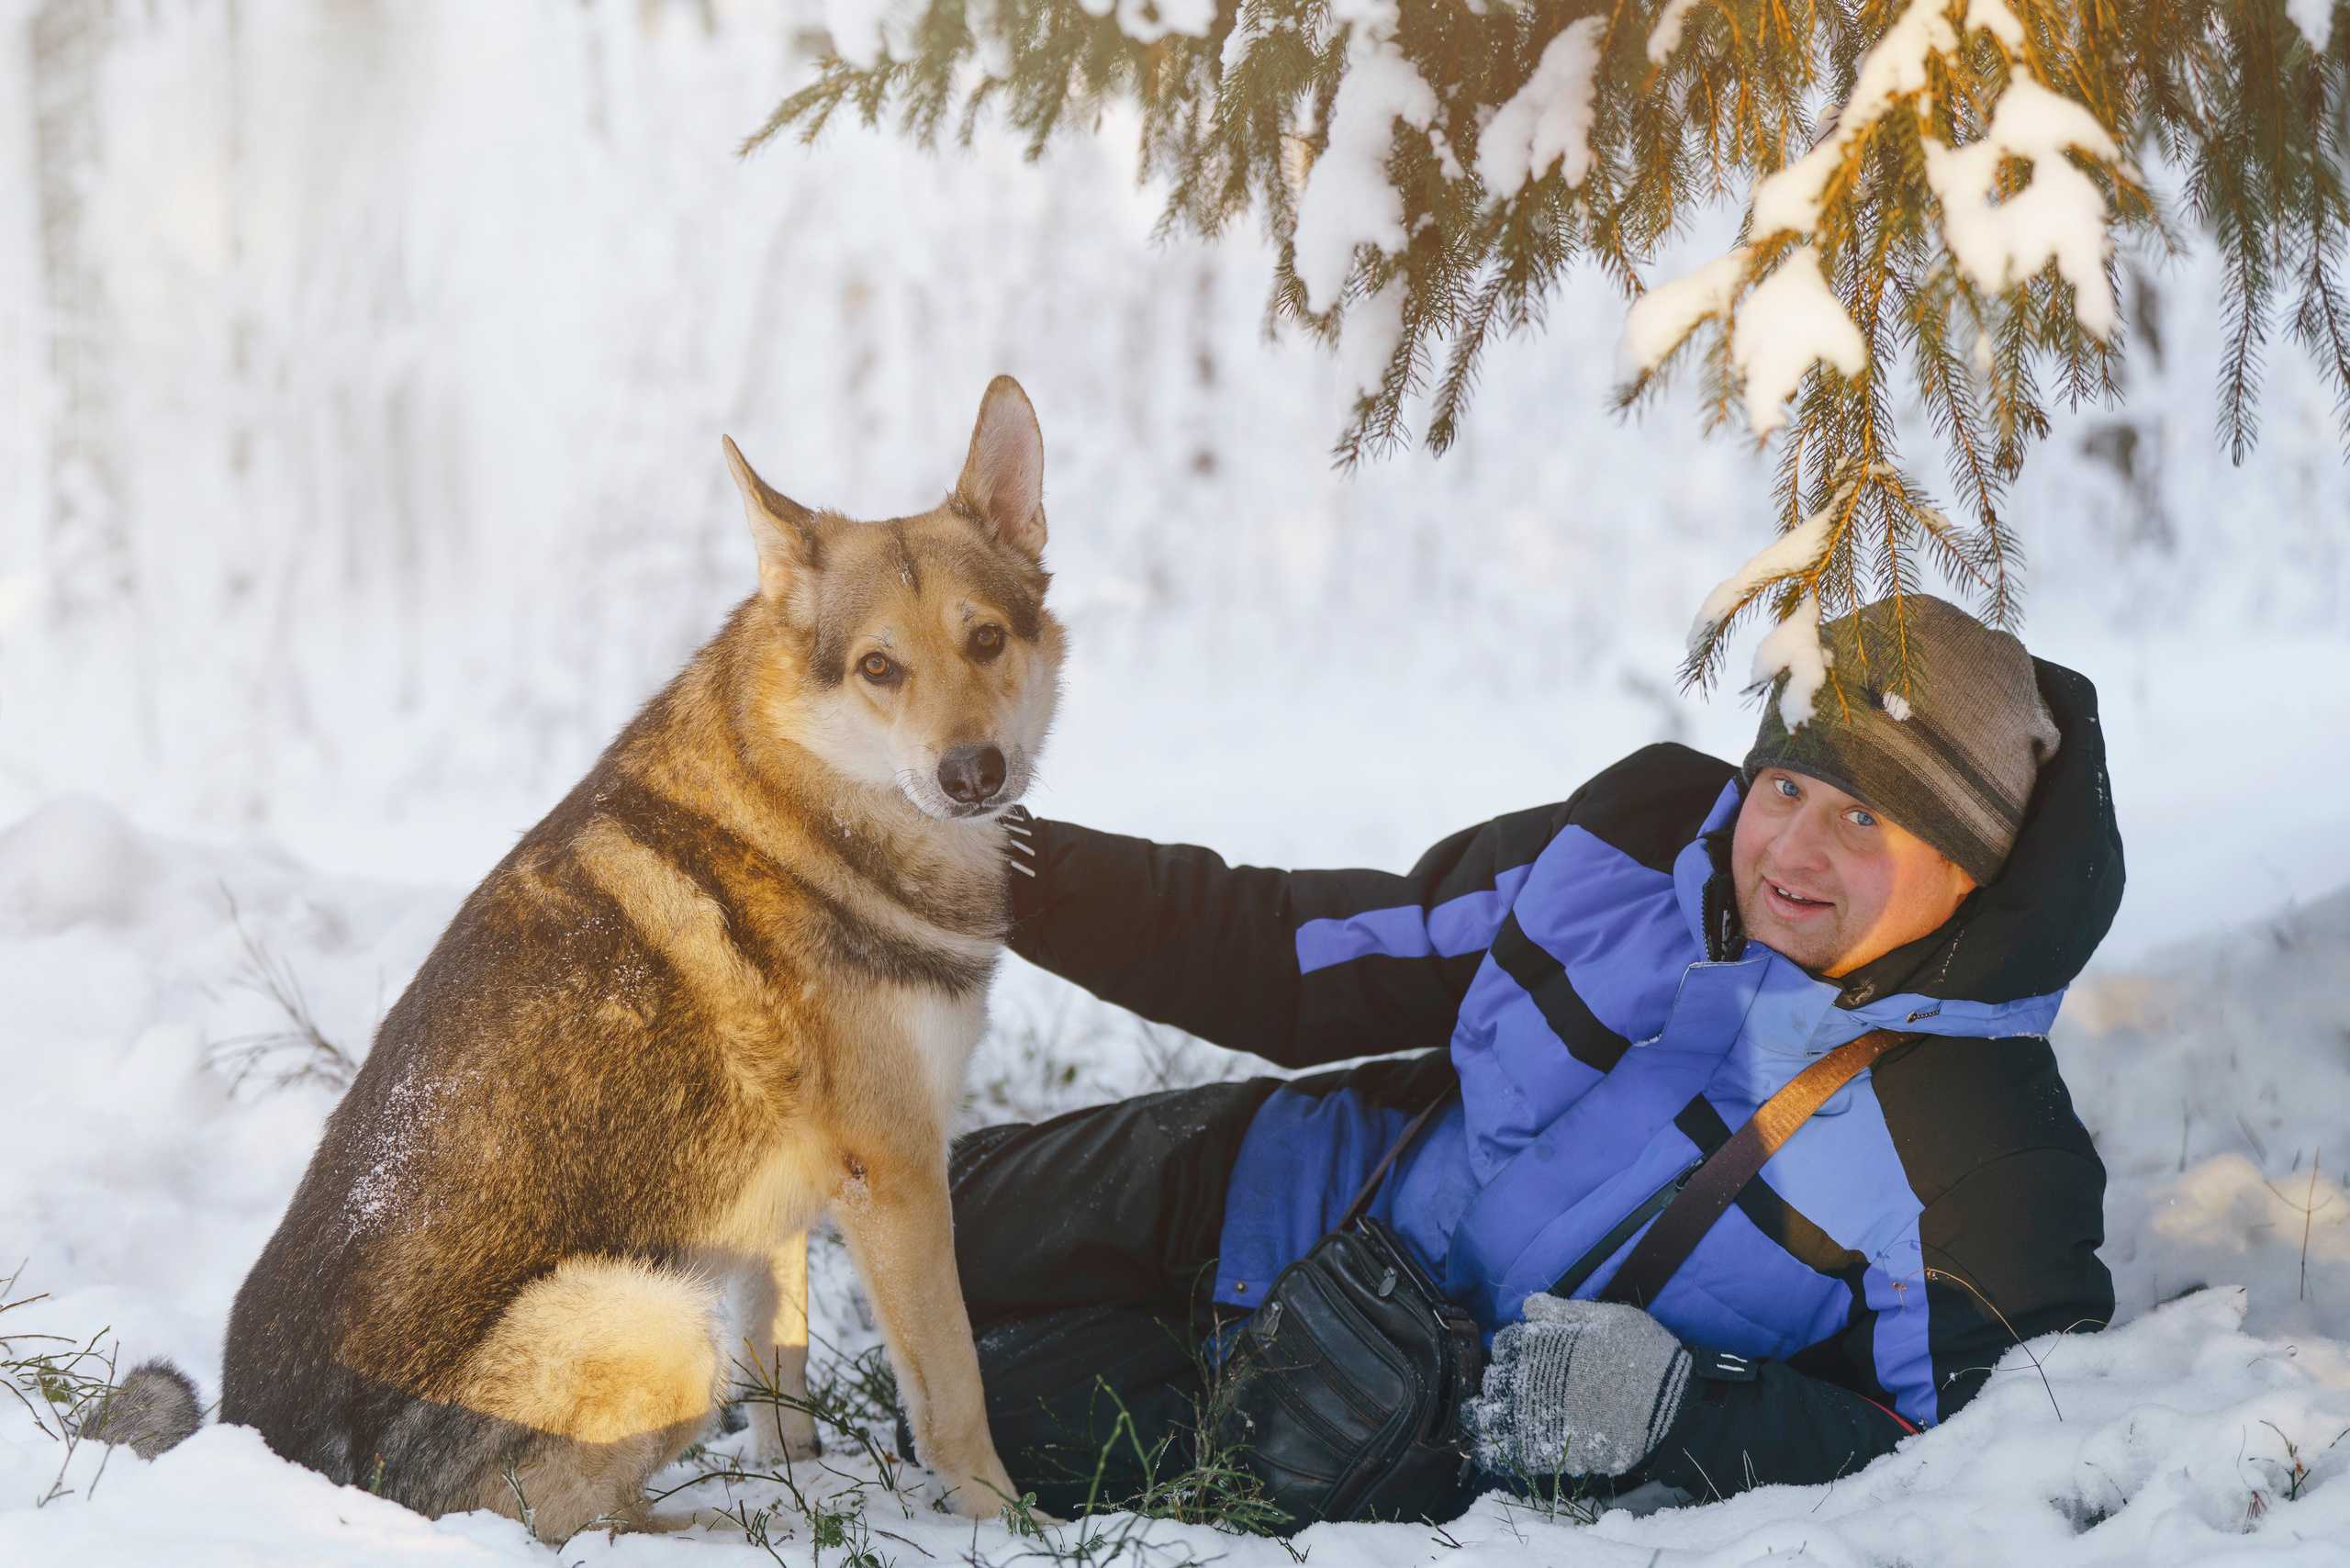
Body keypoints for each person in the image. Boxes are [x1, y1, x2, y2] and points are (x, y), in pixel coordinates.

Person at [944, 594, 2123, 1518]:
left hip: (1391, 1420)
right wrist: (973, 866)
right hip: (1303, 1187)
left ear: (1971, 862)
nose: (1790, 852)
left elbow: (1976, 1459)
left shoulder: (1985, 1154)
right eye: (1786, 785)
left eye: (1865, 818)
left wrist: (1682, 1413)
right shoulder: (1635, 846)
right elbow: (1298, 952)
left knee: (962, 1412)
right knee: (945, 1233)